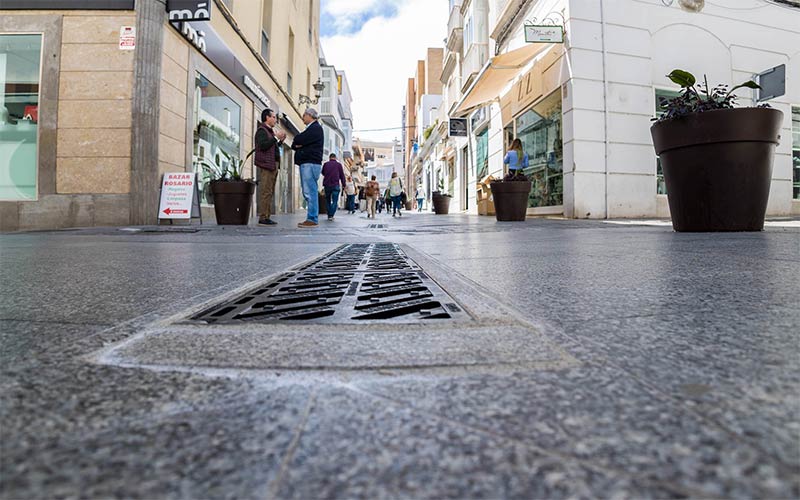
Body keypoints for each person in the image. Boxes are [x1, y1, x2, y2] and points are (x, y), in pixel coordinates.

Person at [291, 108, 324, 227]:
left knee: (310, 192)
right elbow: (294, 144)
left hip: (310, 163)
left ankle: (312, 218)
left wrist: (300, 143)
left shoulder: (315, 128)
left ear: (310, 115)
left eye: (304, 115)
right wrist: (299, 144)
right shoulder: (312, 129)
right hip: (309, 163)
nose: (302, 117)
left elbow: (298, 139)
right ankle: (312, 217)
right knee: (309, 191)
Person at [254, 108, 286, 225]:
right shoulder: (262, 131)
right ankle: (263, 217)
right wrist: (276, 137)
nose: (275, 120)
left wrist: (280, 141)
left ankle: (266, 216)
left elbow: (272, 147)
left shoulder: (270, 132)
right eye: (273, 117)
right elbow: (263, 146)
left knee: (270, 191)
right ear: (267, 117)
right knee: (266, 191)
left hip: (273, 164)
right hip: (267, 165)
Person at [321, 153, 346, 221]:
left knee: (327, 200)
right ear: (335, 158)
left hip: (327, 185)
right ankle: (331, 215)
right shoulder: (339, 165)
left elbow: (323, 172)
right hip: (335, 185)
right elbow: (342, 175)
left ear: (329, 158)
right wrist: (344, 184)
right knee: (335, 201)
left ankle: (329, 214)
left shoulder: (326, 164)